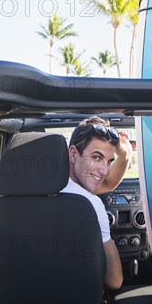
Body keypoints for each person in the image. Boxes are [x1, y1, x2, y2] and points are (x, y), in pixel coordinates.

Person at [61, 116, 132, 290]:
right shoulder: (90, 205)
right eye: (96, 157)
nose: (105, 171)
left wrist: (125, 156)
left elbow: (106, 184)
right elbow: (115, 281)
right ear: (72, 154)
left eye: (109, 161)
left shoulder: (42, 188)